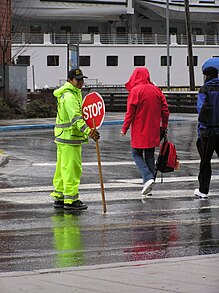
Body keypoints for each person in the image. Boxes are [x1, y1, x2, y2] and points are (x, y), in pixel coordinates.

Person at [50, 68, 100, 210]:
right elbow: (76, 119)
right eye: (78, 80)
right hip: (70, 138)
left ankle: (59, 197)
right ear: (70, 80)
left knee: (62, 169)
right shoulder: (70, 96)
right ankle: (71, 200)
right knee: (72, 169)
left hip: (63, 137)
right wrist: (90, 132)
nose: (81, 83)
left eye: (82, 79)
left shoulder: (70, 93)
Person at [121, 67, 169, 197]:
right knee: (149, 155)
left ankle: (147, 178)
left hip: (139, 129)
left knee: (136, 154)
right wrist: (163, 126)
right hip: (154, 129)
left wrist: (124, 128)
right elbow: (165, 110)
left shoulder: (136, 91)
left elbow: (130, 113)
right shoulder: (156, 90)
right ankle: (149, 185)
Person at [194, 66, 219, 199]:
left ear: (207, 76)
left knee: (205, 161)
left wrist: (202, 129)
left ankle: (203, 190)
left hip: (208, 131)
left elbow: (201, 109)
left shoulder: (205, 89)